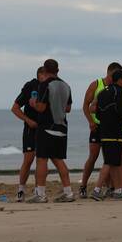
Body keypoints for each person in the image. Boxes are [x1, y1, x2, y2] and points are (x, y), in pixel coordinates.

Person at [26, 59, 74, 203]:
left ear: (45, 70)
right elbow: (68, 108)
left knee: (41, 159)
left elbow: (41, 107)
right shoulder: (66, 85)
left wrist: (33, 104)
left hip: (47, 127)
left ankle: (40, 194)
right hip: (62, 127)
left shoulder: (44, 85)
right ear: (58, 70)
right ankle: (68, 192)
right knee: (59, 160)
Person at [79, 62, 122, 198]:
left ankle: (111, 188)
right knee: (93, 156)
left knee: (109, 158)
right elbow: (86, 105)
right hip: (97, 126)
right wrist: (91, 122)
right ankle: (83, 186)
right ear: (109, 73)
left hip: (110, 127)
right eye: (114, 75)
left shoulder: (118, 87)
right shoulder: (96, 84)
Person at [90, 70, 122, 200]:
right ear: (119, 80)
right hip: (115, 131)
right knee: (109, 161)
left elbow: (96, 111)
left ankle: (119, 190)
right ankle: (97, 190)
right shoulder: (118, 92)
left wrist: (105, 121)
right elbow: (121, 110)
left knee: (115, 162)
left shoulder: (103, 92)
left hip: (104, 130)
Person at [11, 67, 46, 202]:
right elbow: (14, 108)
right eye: (45, 75)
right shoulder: (30, 86)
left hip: (45, 128)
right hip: (30, 129)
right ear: (40, 75)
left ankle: (39, 189)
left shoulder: (49, 86)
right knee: (28, 159)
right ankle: (21, 190)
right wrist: (28, 120)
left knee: (41, 160)